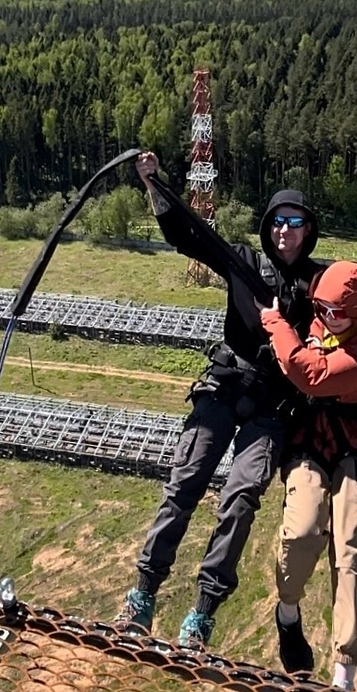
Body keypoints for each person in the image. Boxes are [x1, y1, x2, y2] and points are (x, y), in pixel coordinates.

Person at [117, 151, 324, 649]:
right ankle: (143, 595)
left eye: (295, 223)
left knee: (241, 501)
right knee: (184, 485)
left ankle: (203, 614)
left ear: (307, 231)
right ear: (267, 226)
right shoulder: (244, 263)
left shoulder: (318, 284)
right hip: (225, 389)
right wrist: (154, 186)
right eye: (277, 222)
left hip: (272, 407)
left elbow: (353, 305)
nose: (284, 231)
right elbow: (188, 234)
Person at [259, 260, 357, 692]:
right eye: (320, 307)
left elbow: (313, 375)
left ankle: (344, 673)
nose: (324, 315)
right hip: (312, 437)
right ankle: (288, 611)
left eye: (334, 311)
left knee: (352, 545)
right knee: (300, 532)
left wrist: (276, 323)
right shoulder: (326, 314)